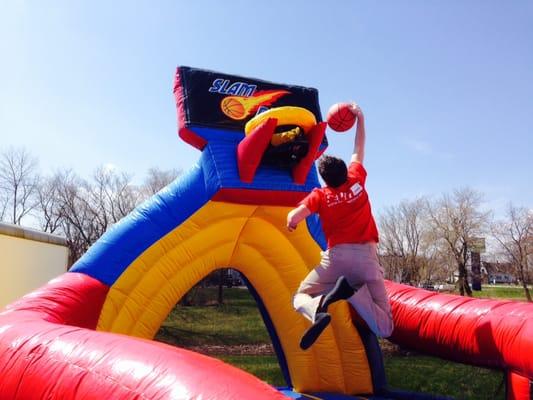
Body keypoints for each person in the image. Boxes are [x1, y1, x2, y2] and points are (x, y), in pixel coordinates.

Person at [287, 103, 393, 350]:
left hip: (335, 259)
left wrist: (292, 221)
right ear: (345, 170)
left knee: (299, 296)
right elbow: (359, 148)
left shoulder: (321, 195)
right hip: (366, 259)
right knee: (386, 328)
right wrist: (360, 119)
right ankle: (353, 293)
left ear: (325, 180)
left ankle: (317, 310)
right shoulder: (356, 179)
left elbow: (295, 216)